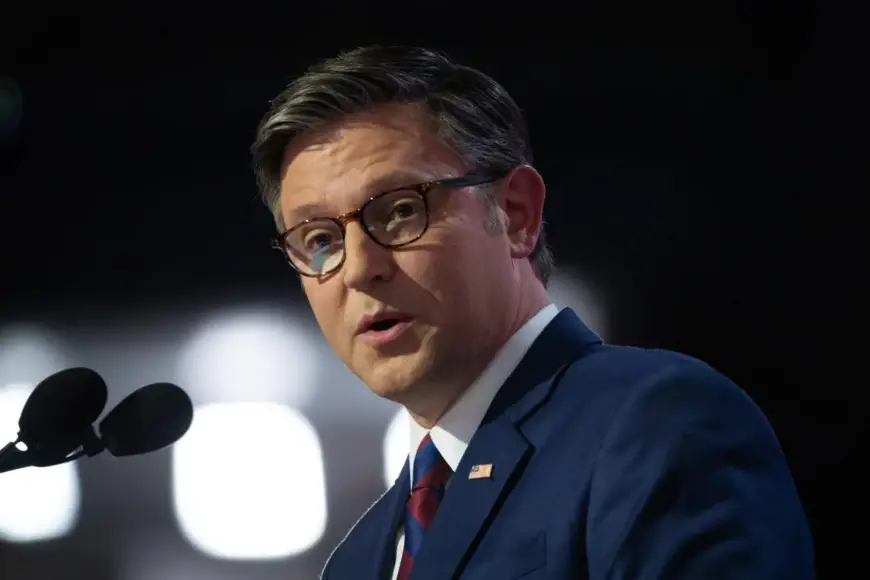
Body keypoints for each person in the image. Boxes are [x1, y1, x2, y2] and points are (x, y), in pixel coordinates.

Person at [251, 46, 814, 580]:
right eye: (319, 239)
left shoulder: (655, 422)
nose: (357, 268)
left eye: (401, 211)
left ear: (516, 214)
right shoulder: (359, 558)